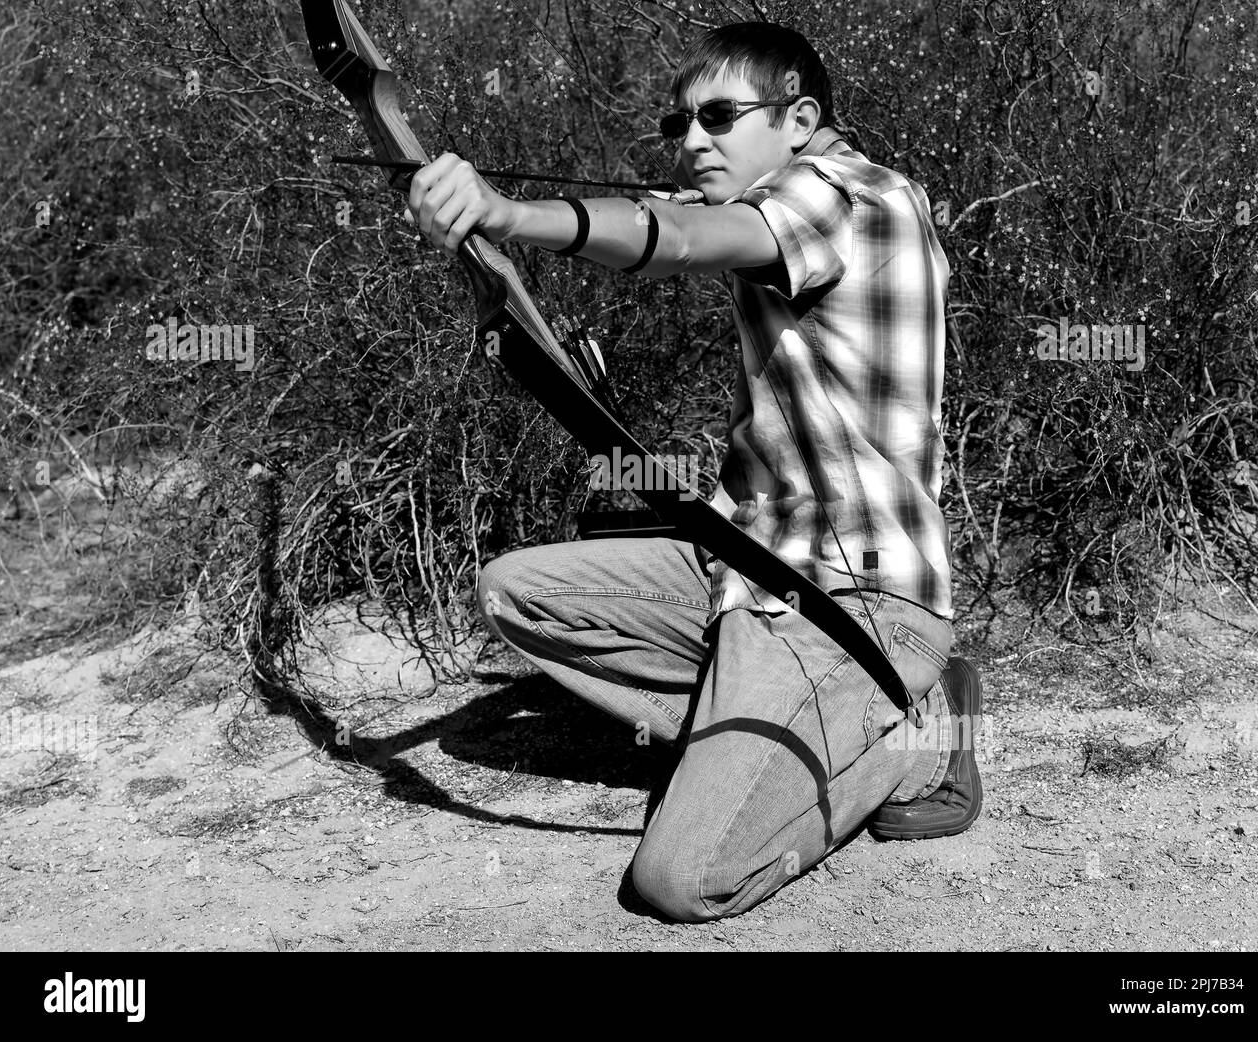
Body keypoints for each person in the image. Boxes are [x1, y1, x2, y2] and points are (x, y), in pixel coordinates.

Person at [405, 20, 981, 923]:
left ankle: (913, 733)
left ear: (800, 117)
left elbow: (673, 235)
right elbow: (675, 221)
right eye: (681, 124)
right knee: (515, 592)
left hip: (855, 602)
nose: (695, 139)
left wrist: (508, 214)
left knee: (684, 877)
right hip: (746, 569)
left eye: (719, 115)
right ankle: (771, 726)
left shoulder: (848, 195)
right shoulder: (783, 212)